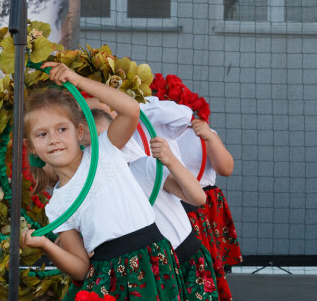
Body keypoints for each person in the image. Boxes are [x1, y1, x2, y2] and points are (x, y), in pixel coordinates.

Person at [20, 62, 183, 301]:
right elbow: (81, 266)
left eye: (61, 129)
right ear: (31, 147)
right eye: (42, 134)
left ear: (78, 131)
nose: (53, 139)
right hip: (109, 278)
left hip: (152, 261)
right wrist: (46, 245)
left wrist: (78, 81)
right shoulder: (57, 205)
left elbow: (130, 110)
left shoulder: (105, 151)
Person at [88, 105, 220, 301]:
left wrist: (171, 160)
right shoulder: (93, 190)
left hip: (184, 258)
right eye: (90, 145)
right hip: (152, 272)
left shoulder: (143, 167)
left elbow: (198, 198)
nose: (101, 149)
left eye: (107, 139)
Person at [177, 120, 241, 301]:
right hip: (168, 204)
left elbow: (226, 168)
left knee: (205, 260)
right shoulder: (150, 129)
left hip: (202, 205)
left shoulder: (202, 132)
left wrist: (209, 136)